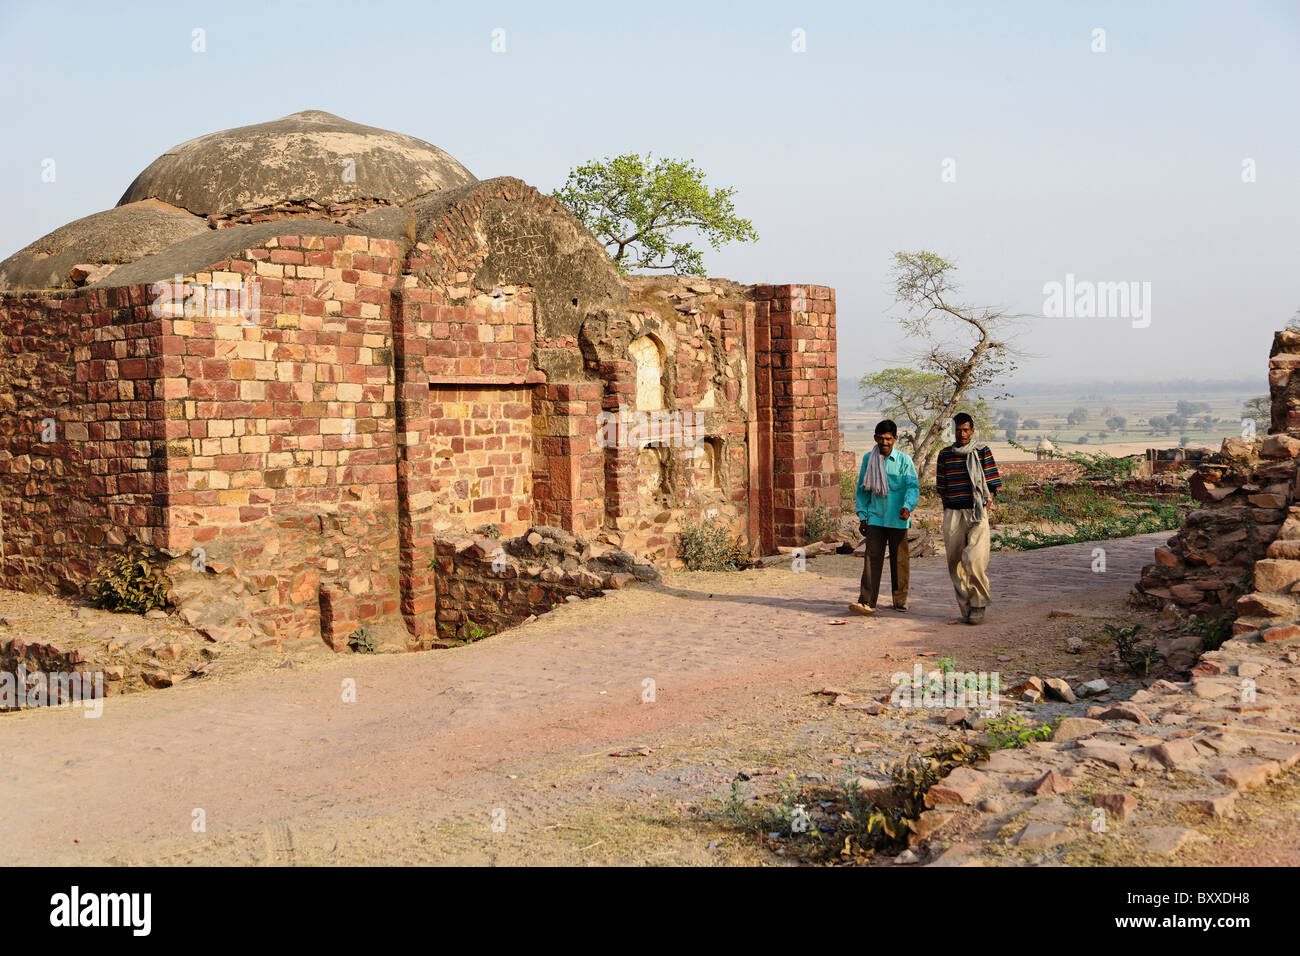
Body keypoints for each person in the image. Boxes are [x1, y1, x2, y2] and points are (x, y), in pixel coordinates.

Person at [935, 412, 1002, 624]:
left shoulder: (982, 452)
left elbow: (992, 485)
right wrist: (948, 511)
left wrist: (986, 507)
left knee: (974, 560)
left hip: (977, 512)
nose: (962, 433)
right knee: (954, 564)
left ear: (972, 431)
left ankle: (979, 603)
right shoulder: (945, 454)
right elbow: (942, 488)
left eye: (965, 429)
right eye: (958, 429)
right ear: (953, 431)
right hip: (953, 513)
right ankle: (967, 608)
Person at [850, 420, 919, 616]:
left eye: (888, 438)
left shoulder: (905, 461)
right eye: (880, 438)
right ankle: (867, 601)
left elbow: (912, 488)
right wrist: (862, 516)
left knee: (900, 561)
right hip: (876, 517)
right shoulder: (868, 459)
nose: (884, 442)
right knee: (872, 560)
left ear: (895, 439)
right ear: (875, 439)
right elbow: (862, 490)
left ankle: (900, 600)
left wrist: (907, 507)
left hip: (898, 517)